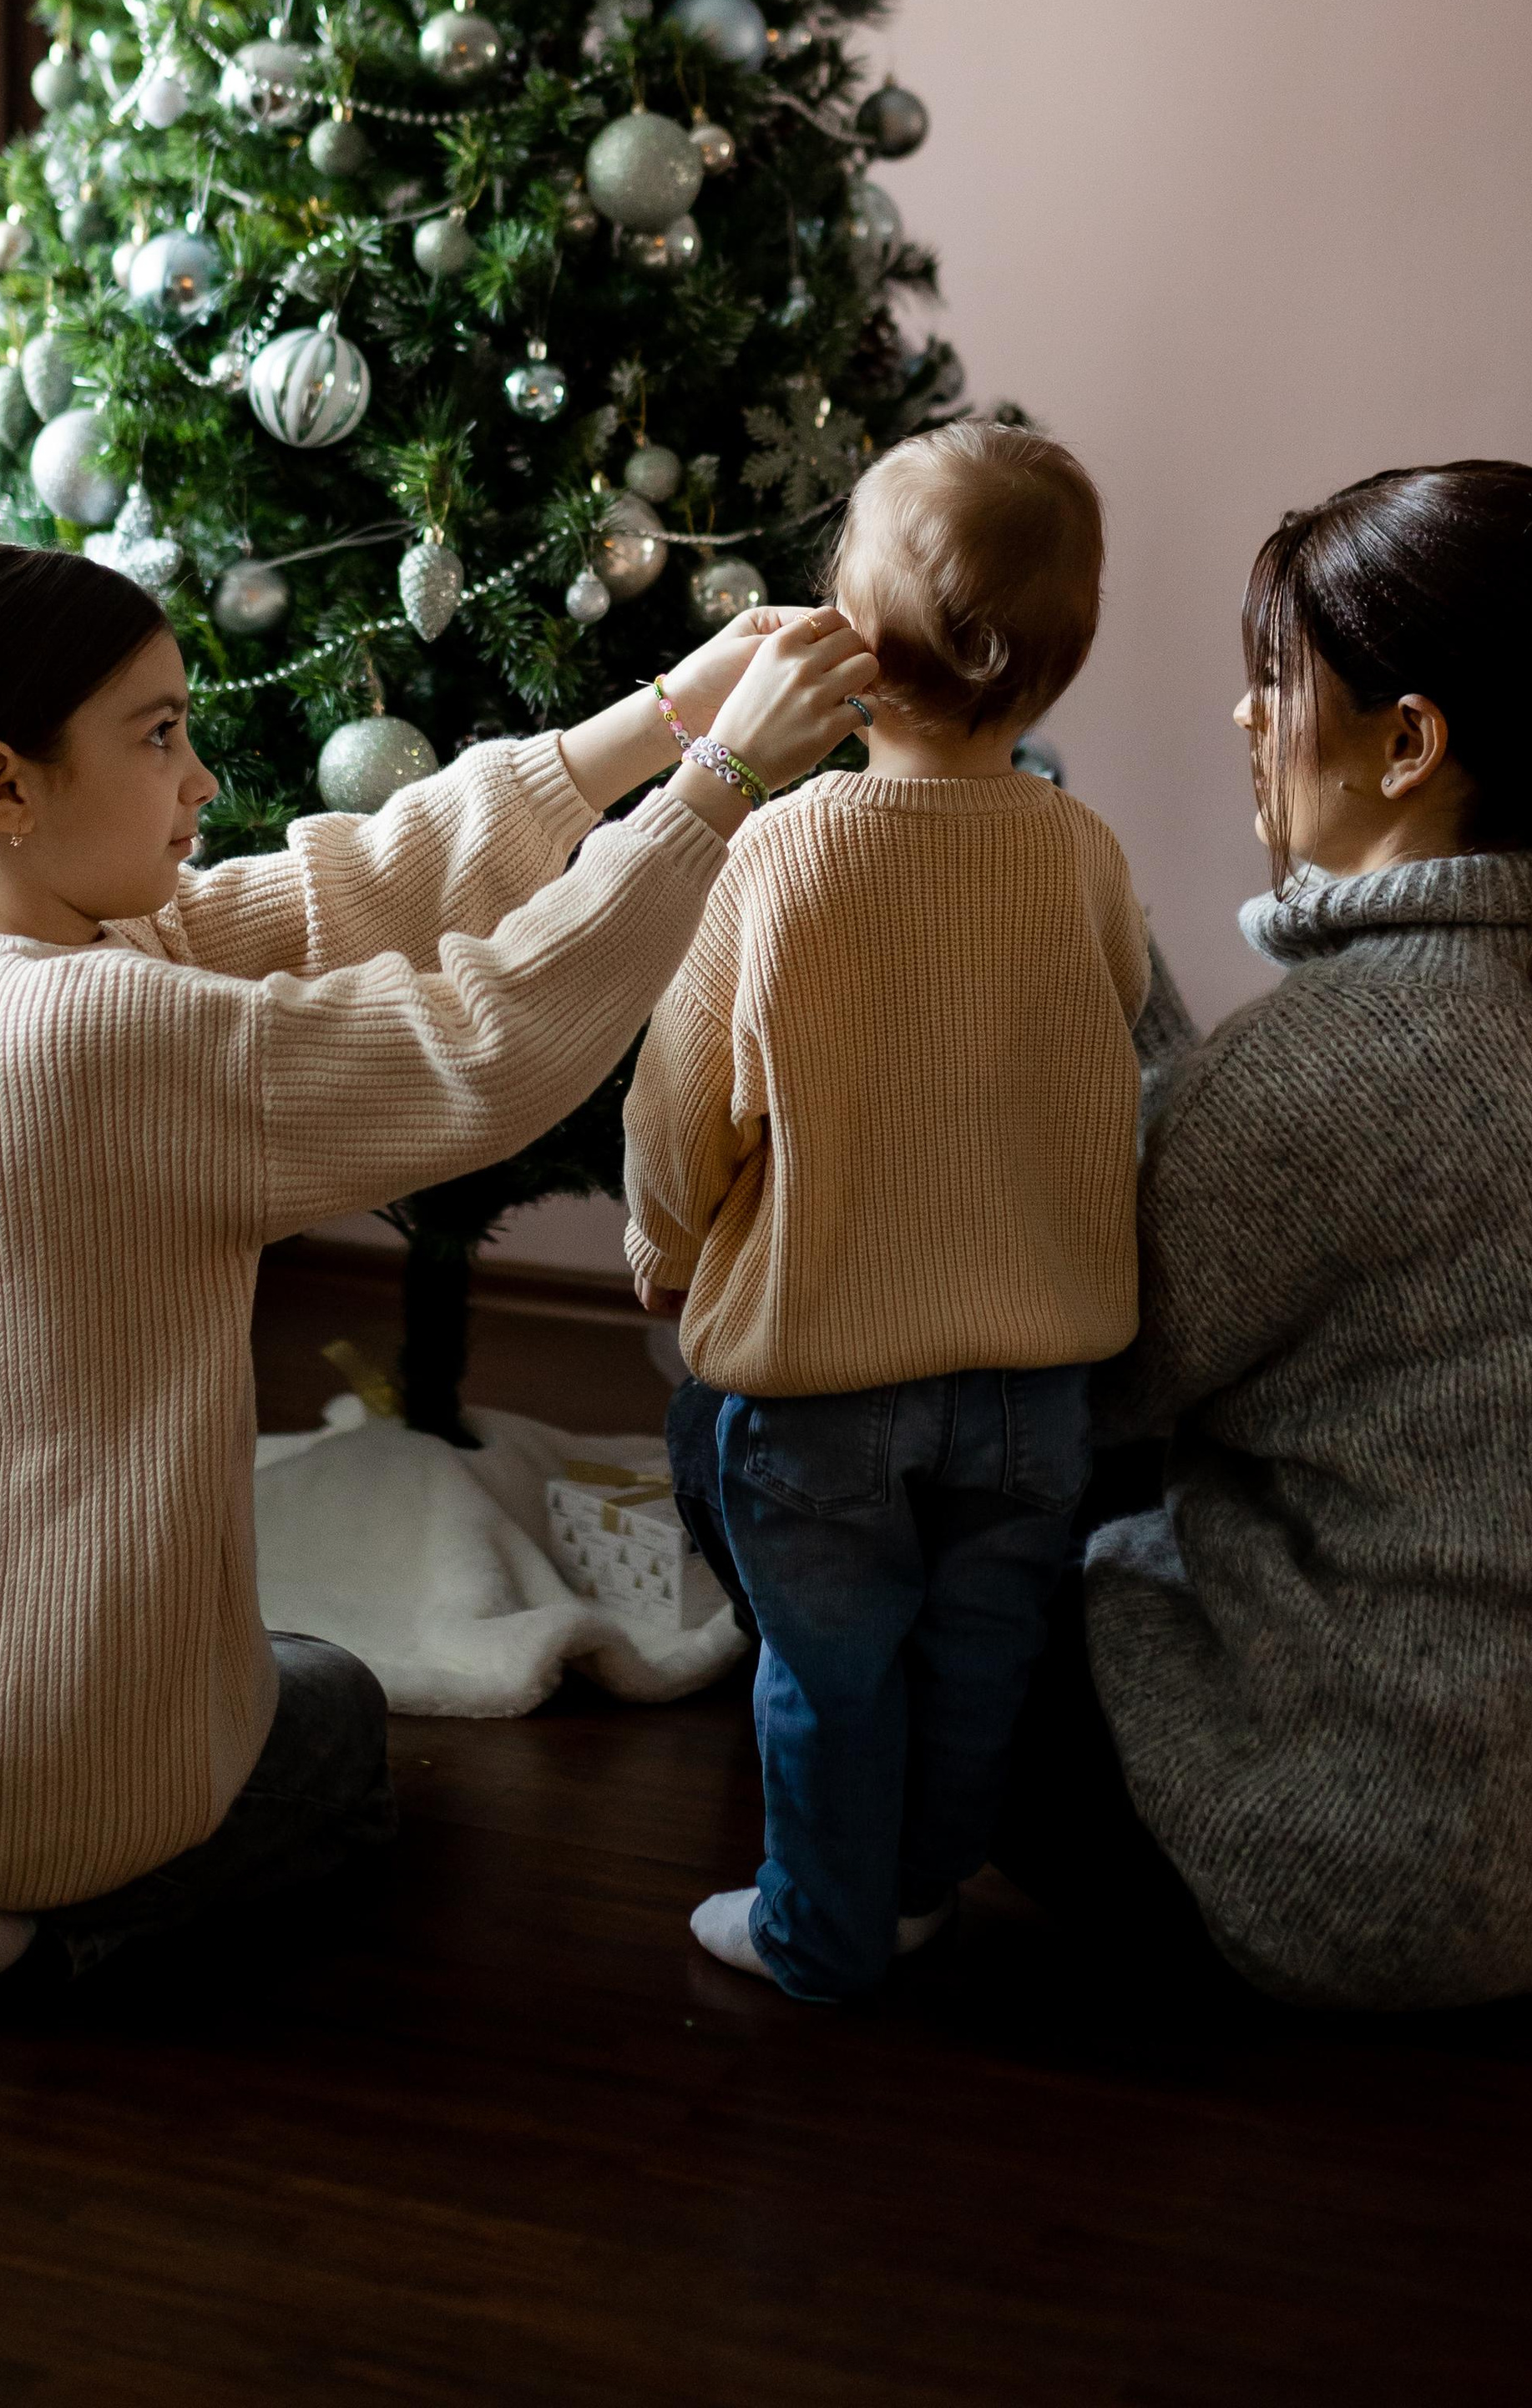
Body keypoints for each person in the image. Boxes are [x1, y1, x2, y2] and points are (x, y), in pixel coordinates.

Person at [0, 540, 877, 2013]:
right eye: (159, 735)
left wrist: (662, 717)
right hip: (15, 1764)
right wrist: (720, 793)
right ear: (3, 786)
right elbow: (480, 1040)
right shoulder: (98, 1038)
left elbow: (341, 892)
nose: (199, 781)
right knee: (331, 1721)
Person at [1001, 460, 1532, 2011]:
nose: (1246, 718)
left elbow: (1087, 1377)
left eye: (1274, 678)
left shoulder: (1349, 1060)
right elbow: (1252, 1192)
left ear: (1411, 742)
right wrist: (1106, 945)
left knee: (789, 1455)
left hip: (1384, 1880)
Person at [624, 423, 1150, 1999]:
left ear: (854, 644)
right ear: (1052, 674)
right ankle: (920, 1889)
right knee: (982, 1651)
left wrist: (662, 1247)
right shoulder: (1079, 854)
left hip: (823, 1379)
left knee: (831, 1669)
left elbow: (682, 1093)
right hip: (1035, 1382)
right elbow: (1118, 1021)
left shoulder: (783, 850)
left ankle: (824, 1930)